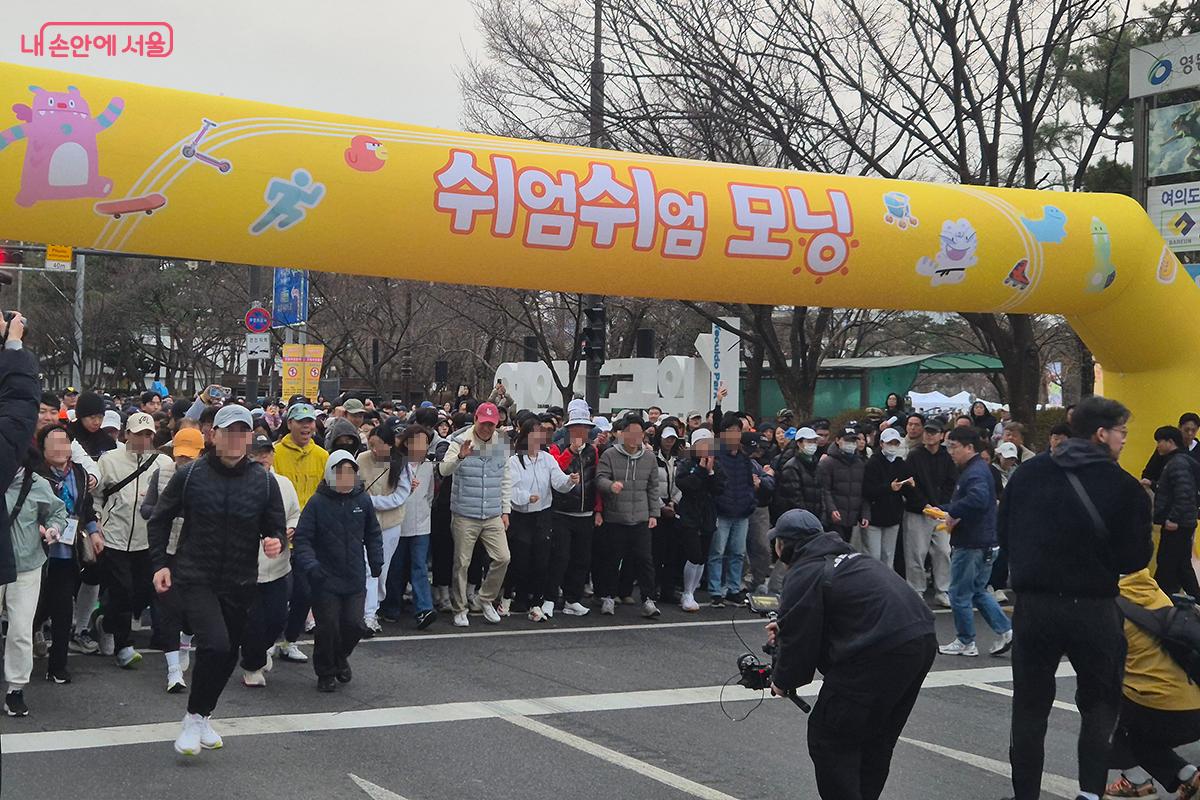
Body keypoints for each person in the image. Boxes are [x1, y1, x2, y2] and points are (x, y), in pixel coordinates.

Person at [999, 396, 1153, 800]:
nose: (1124, 440)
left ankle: (1025, 794)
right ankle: (1089, 792)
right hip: (1093, 607)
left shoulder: (1028, 474)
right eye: (1121, 432)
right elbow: (1135, 559)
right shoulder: (1125, 487)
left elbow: (1004, 534)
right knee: (1099, 705)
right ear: (1101, 434)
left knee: (1030, 706)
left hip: (1034, 605)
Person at [767, 509, 936, 800]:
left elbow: (799, 645)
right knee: (876, 738)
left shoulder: (804, 572)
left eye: (777, 542)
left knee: (828, 735)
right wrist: (788, 627)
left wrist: (782, 681)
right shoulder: (853, 559)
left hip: (880, 649)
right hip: (920, 637)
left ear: (785, 545)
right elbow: (836, 621)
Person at [148, 404, 287, 755]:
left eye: (243, 432)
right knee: (215, 644)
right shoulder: (191, 475)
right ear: (214, 435)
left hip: (241, 580)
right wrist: (160, 564)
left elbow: (274, 526)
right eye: (230, 431)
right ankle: (193, 718)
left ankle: (201, 716)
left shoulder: (263, 480)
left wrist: (275, 541)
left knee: (227, 655)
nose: (237, 439)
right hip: (196, 575)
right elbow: (159, 519)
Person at [1103, 568, 1200, 799]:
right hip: (1193, 704)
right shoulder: (1155, 592)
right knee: (1138, 734)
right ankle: (1188, 776)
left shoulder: (1108, 606)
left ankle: (1136, 783)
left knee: (1099, 707)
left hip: (1163, 710)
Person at [293, 450, 383, 692]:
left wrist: (376, 560)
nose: (345, 478)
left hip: (354, 576)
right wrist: (311, 566)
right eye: (340, 472)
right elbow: (303, 539)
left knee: (354, 625)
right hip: (325, 578)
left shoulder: (362, 500)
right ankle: (325, 672)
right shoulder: (317, 503)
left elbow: (373, 533)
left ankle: (340, 657)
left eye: (350, 472)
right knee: (328, 627)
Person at [93, 412, 173, 668]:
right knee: (123, 590)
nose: (143, 439)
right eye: (138, 434)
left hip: (147, 539)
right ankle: (124, 646)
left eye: (148, 434)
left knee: (142, 593)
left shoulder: (163, 463)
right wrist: (97, 523)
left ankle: (105, 623)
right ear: (127, 434)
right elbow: (96, 496)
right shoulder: (109, 460)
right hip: (114, 536)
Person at [936, 427, 1013, 657]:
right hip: (985, 540)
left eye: (954, 447)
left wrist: (951, 512)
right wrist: (946, 511)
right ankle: (1007, 631)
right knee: (978, 591)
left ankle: (965, 641)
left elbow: (977, 500)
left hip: (971, 543)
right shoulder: (979, 469)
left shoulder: (974, 472)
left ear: (969, 447)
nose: (951, 452)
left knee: (959, 593)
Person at [34, 424, 101, 684]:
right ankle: (27, 643)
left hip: (68, 551)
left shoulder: (80, 473)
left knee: (62, 609)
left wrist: (94, 532)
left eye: (64, 442)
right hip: (38, 553)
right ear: (42, 449)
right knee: (37, 607)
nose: (60, 448)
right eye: (53, 443)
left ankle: (57, 666)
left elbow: (86, 507)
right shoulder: (35, 474)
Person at [3, 450, 68, 717]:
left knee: (20, 630)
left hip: (27, 566)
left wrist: (54, 528)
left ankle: (15, 690)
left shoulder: (36, 483)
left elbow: (58, 511)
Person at [139, 427, 204, 693]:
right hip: (166, 550)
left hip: (196, 553)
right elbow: (146, 509)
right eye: (180, 455)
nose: (183, 461)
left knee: (192, 610)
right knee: (167, 609)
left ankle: (186, 640)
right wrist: (166, 510)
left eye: (189, 456)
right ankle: (173, 671)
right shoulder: (162, 473)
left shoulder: (207, 477)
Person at [439, 402, 513, 627]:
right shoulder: (459, 440)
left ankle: (485, 598)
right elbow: (443, 470)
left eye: (492, 424)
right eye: (484, 423)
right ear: (476, 421)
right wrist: (460, 457)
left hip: (492, 512)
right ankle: (460, 608)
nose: (487, 428)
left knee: (503, 557)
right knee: (462, 563)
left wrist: (505, 510)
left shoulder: (502, 443)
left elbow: (505, 478)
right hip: (465, 512)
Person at [239, 434, 301, 688]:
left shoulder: (284, 484)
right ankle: (252, 666)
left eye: (267, 452)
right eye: (256, 453)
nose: (263, 457)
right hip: (246, 568)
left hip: (278, 566)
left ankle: (260, 649)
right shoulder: (239, 484)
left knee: (277, 619)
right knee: (253, 622)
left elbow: (295, 513)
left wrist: (292, 528)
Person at [273, 402, 329, 665]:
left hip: (309, 538)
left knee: (305, 593)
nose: (307, 427)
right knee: (277, 594)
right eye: (301, 422)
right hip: (279, 535)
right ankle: (267, 640)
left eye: (310, 422)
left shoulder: (323, 456)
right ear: (289, 424)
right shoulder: (275, 453)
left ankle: (290, 641)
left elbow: (328, 494)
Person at [506, 417, 578, 621]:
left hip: (543, 514)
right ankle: (519, 596)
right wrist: (526, 497)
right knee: (521, 559)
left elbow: (558, 481)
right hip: (521, 515)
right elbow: (510, 489)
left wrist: (570, 481)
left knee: (541, 559)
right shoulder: (515, 461)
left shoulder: (547, 458)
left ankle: (536, 600)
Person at [596, 415, 662, 618]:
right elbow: (600, 478)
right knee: (612, 559)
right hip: (616, 517)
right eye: (630, 433)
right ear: (622, 434)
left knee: (645, 560)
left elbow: (653, 487)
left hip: (641, 517)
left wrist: (654, 513)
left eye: (638, 433)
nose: (634, 437)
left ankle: (648, 600)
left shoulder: (649, 457)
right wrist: (611, 486)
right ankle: (608, 597)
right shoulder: (610, 455)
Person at [707, 413, 772, 607]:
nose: (734, 435)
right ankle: (715, 590)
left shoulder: (744, 457)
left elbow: (749, 483)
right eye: (730, 431)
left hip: (742, 511)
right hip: (722, 511)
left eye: (737, 431)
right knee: (717, 552)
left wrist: (750, 503)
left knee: (738, 553)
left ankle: (733, 589)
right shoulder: (716, 455)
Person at [548, 399, 602, 617]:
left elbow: (596, 480)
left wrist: (598, 509)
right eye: (577, 427)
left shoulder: (592, 451)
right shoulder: (557, 447)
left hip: (585, 513)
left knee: (581, 559)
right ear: (569, 428)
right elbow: (556, 471)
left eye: (585, 428)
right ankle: (550, 597)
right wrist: (571, 451)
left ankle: (573, 599)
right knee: (560, 557)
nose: (582, 432)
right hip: (561, 512)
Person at [357, 424, 412, 633]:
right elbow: (354, 487)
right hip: (365, 525)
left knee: (381, 570)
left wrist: (372, 502)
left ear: (389, 445)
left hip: (390, 524)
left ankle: (375, 605)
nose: (373, 450)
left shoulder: (401, 464)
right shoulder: (361, 459)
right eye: (370, 445)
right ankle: (368, 614)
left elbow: (400, 496)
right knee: (368, 570)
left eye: (378, 446)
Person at [383, 425, 437, 630]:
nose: (422, 446)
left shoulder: (428, 466)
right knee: (395, 568)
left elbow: (429, 495)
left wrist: (424, 512)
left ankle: (424, 609)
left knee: (419, 567)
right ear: (407, 443)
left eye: (425, 442)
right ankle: (391, 607)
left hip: (422, 525)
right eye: (418, 441)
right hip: (398, 523)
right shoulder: (396, 464)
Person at [903, 420, 956, 606]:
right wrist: (924, 505)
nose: (929, 435)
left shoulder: (947, 457)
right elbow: (909, 485)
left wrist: (941, 506)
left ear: (941, 435)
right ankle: (916, 590)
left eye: (933, 433)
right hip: (918, 511)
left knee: (944, 551)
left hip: (941, 512)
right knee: (916, 552)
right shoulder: (914, 455)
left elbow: (951, 482)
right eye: (927, 432)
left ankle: (943, 590)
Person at [1150, 425, 1199, 600]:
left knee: (1166, 564)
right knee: (1182, 566)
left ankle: (1158, 602)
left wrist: (1173, 518)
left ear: (1170, 442)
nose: (1158, 446)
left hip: (1177, 524)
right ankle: (1195, 599)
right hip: (1183, 522)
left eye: (1160, 441)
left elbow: (1183, 493)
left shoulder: (1178, 463)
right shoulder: (1179, 461)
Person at [861, 428, 910, 566]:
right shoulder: (872, 463)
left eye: (895, 443)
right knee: (874, 556)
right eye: (889, 443)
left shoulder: (900, 464)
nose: (892, 446)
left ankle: (886, 579)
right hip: (874, 517)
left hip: (893, 516)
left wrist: (909, 484)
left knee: (888, 555)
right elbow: (867, 490)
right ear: (882, 443)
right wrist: (889, 488)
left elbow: (907, 488)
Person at [817, 426, 868, 546]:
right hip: (834, 517)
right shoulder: (828, 463)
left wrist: (865, 513)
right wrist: (832, 509)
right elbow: (825, 489)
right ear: (837, 440)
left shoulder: (860, 463)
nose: (851, 444)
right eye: (847, 440)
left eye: (853, 441)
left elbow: (863, 491)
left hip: (852, 517)